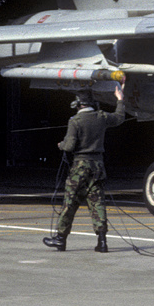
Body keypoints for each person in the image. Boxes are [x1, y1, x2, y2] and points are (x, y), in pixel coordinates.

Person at [43, 81, 124, 253]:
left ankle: (60, 239)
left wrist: (61, 145)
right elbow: (119, 117)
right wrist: (120, 99)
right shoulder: (101, 117)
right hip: (98, 166)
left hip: (80, 166)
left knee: (70, 203)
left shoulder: (75, 121)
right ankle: (102, 242)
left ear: (78, 104)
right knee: (97, 202)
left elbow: (70, 145)